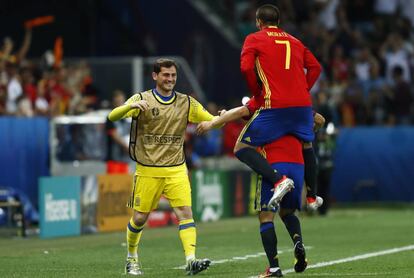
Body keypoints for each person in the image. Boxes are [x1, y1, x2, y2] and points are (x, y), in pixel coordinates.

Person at [108, 58, 214, 276]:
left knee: (185, 213)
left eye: (173, 75)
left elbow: (210, 118)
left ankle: (191, 260)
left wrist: (216, 120)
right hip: (148, 170)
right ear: (155, 76)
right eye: (166, 75)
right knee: (139, 218)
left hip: (176, 169)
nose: (170, 79)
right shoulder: (142, 99)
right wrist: (129, 106)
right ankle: (131, 258)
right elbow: (112, 116)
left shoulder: (186, 102)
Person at [197, 98, 313, 277]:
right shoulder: (296, 108)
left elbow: (242, 112)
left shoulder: (265, 106)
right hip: (297, 165)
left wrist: (214, 122)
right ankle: (298, 243)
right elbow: (319, 120)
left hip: (274, 165)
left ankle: (274, 268)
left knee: (266, 217)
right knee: (288, 213)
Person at [235, 4, 322, 208]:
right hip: (302, 107)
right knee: (306, 144)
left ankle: (278, 179)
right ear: (279, 22)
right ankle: (312, 197)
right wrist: (303, 91)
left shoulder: (254, 38)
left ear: (258, 22)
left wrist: (257, 92)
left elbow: (246, 67)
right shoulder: (295, 41)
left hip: (275, 106)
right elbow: (315, 67)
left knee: (241, 147)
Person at [105, 90, 130, 173]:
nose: (120, 104)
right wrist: (126, 146)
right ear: (113, 102)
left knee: (125, 184)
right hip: (113, 160)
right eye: (117, 101)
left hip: (125, 159)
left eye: (121, 101)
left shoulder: (126, 118)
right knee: (114, 183)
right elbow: (113, 134)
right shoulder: (110, 117)